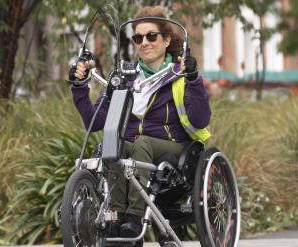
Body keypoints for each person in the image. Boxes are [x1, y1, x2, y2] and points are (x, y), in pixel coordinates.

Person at [68, 6, 211, 238]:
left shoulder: (180, 73)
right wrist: (79, 88)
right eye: (138, 37)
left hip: (173, 149)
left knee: (141, 142)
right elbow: (95, 123)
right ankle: (115, 216)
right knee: (112, 145)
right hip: (135, 151)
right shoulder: (124, 78)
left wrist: (193, 79)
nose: (144, 42)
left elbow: (201, 119)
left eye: (151, 36)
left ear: (166, 40)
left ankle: (133, 217)